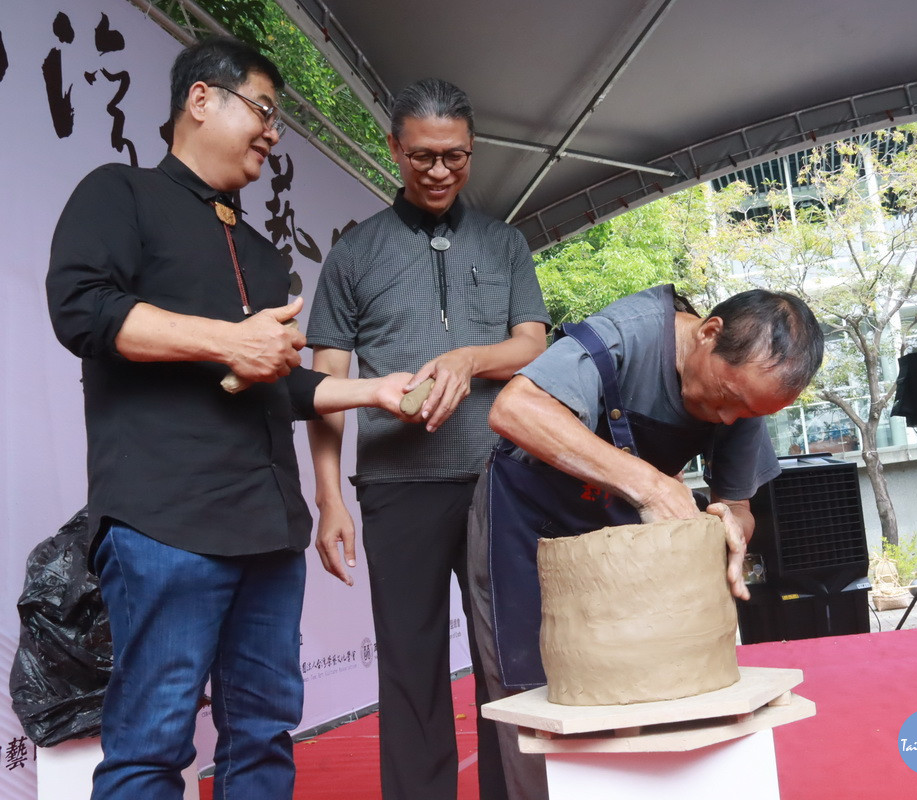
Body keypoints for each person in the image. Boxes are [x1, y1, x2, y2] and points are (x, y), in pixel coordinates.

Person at [44, 38, 416, 799]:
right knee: (150, 746)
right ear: (201, 99)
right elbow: (80, 309)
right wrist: (228, 341)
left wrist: (376, 393)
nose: (274, 133)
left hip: (270, 531)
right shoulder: (119, 193)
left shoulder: (263, 252)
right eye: (265, 110)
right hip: (164, 523)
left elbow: (276, 386)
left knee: (265, 734)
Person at [466, 285, 824, 799]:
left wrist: (731, 527)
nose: (727, 421)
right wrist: (651, 483)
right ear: (708, 332)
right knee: (534, 697)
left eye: (745, 414)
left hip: (619, 541)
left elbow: (739, 506)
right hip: (528, 520)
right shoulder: (623, 335)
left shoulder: (746, 398)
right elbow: (515, 409)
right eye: (725, 400)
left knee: (636, 686)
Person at [305, 78, 549, 800]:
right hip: (393, 489)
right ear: (394, 149)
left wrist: (471, 358)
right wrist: (329, 501)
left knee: (509, 660)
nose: (439, 171)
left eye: (455, 156)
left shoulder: (504, 244)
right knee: (409, 669)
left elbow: (532, 343)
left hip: (496, 483)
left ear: (473, 150)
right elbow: (326, 383)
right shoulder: (355, 255)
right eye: (422, 157)